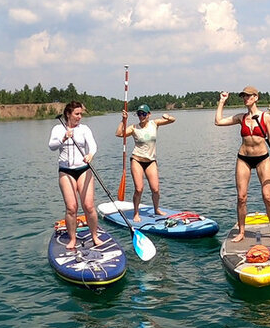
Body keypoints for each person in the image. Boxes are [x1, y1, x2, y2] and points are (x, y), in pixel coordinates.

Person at [214, 86, 270, 242]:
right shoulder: (241, 117)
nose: (245, 98)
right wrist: (222, 101)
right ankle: (241, 232)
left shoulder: (266, 117)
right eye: (243, 96)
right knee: (241, 197)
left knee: (267, 196)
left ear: (256, 97)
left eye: (248, 96)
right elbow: (218, 122)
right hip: (244, 158)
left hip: (263, 159)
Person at [48, 101, 107, 251]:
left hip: (83, 169)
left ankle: (94, 236)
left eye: (81, 114)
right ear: (68, 114)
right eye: (77, 114)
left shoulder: (84, 129)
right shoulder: (57, 128)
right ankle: (72, 238)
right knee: (71, 208)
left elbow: (92, 145)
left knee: (88, 205)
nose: (80, 117)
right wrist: (63, 138)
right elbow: (51, 146)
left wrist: (90, 155)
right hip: (66, 171)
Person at [115, 104, 176, 220]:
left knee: (155, 189)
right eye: (139, 114)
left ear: (149, 114)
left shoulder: (155, 123)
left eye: (144, 114)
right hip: (137, 160)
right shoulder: (134, 128)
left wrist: (167, 116)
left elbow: (172, 120)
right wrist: (123, 121)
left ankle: (156, 209)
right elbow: (119, 134)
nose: (141, 116)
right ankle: (136, 213)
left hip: (151, 160)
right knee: (139, 189)